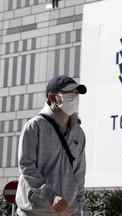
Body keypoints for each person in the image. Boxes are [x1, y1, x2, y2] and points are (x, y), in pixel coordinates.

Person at [16, 75, 88, 216]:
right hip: (33, 211)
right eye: (68, 93)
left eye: (76, 93)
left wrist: (81, 209)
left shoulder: (78, 133)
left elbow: (79, 175)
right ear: (52, 96)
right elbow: (26, 166)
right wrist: (51, 195)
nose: (74, 97)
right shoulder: (35, 126)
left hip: (66, 212)